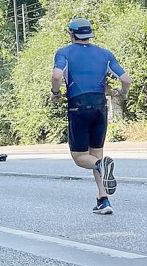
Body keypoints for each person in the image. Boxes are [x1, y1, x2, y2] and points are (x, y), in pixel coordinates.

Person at [51, 17, 131, 215]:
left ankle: (100, 166)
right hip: (100, 106)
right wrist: (123, 93)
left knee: (80, 157)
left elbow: (56, 76)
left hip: (78, 106)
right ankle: (104, 200)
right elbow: (125, 79)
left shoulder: (64, 53)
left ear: (71, 33)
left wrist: (55, 93)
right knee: (96, 152)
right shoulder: (105, 54)